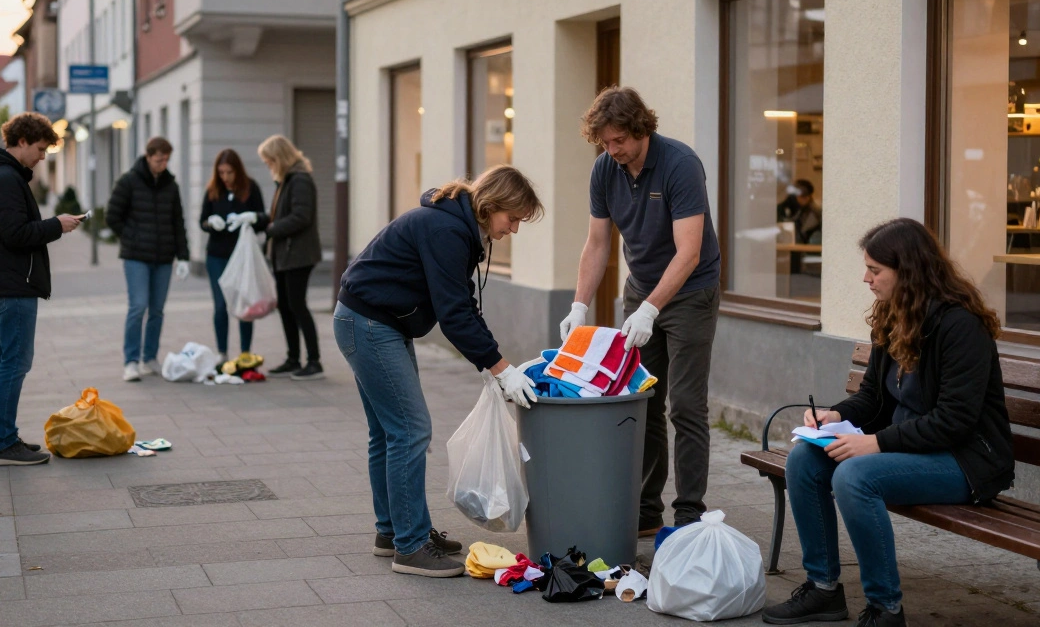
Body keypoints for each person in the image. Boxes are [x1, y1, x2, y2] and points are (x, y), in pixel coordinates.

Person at [760, 218, 1014, 627]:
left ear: (908, 271)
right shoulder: (893, 315)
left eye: (875, 270)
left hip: (965, 461)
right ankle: (823, 589)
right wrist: (836, 415)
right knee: (804, 461)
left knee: (855, 477)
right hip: (915, 450)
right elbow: (875, 398)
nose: (866, 278)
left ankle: (885, 609)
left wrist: (875, 444)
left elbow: (955, 421)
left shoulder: (960, 326)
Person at [335, 165, 543, 577]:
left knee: (388, 431)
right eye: (513, 218)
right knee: (410, 429)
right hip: (370, 324)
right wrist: (500, 368)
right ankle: (410, 547)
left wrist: (492, 362)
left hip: (371, 321)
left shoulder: (455, 226)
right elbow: (453, 315)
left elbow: (463, 304)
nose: (515, 229)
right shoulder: (446, 230)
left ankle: (392, 532)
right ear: (491, 205)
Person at [559, 86, 721, 535]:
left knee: (686, 405)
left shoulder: (680, 165)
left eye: (619, 142)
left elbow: (689, 253)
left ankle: (688, 513)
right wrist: (579, 304)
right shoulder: (605, 170)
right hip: (641, 290)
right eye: (605, 143)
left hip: (691, 293)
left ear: (640, 129)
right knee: (642, 401)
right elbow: (597, 244)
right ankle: (646, 512)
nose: (612, 151)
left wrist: (651, 309)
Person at [0, 113, 82, 466]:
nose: (42, 156)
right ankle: (3, 444)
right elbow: (15, 233)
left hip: (5, 280)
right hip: (12, 282)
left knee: (3, 360)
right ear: (20, 141)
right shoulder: (5, 178)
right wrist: (56, 225)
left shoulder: (0, 174)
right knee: (14, 362)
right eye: (39, 148)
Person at [107, 137, 191, 382]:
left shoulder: (170, 185)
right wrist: (132, 237)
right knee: (138, 306)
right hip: (136, 257)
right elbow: (112, 216)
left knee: (157, 310)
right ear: (148, 156)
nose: (162, 164)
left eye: (166, 160)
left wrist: (183, 256)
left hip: (163, 257)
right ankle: (131, 361)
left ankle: (150, 357)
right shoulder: (129, 181)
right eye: (158, 159)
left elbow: (178, 223)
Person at [252, 135, 324, 380]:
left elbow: (301, 217)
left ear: (279, 158)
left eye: (269, 160)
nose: (267, 165)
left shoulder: (300, 180)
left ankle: (314, 361)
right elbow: (281, 215)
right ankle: (293, 358)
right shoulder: (287, 180)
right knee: (285, 306)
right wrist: (260, 220)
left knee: (297, 305)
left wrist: (271, 229)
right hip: (285, 254)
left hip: (298, 254)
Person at [199, 148, 266, 363]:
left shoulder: (250, 188)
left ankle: (245, 352)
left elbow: (263, 218)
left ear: (237, 170)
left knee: (243, 303)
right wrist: (211, 223)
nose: (225, 177)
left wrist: (251, 218)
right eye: (221, 172)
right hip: (217, 255)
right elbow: (202, 220)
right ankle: (222, 353)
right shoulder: (212, 190)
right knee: (220, 305)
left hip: (242, 256)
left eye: (229, 172)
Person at [778, 178, 823, 245]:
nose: (806, 199)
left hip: (806, 247)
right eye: (802, 196)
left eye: (808, 196)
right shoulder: (783, 208)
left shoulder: (815, 212)